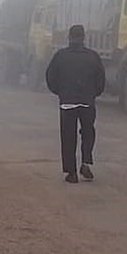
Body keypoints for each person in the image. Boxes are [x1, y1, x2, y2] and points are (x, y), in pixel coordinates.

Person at [44, 25, 106, 184]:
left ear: (69, 37)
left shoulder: (60, 56)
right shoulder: (93, 56)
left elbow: (50, 77)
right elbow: (101, 81)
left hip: (67, 103)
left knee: (68, 136)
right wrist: (92, 94)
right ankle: (85, 162)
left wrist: (60, 92)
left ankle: (71, 173)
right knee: (88, 133)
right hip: (87, 102)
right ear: (84, 37)